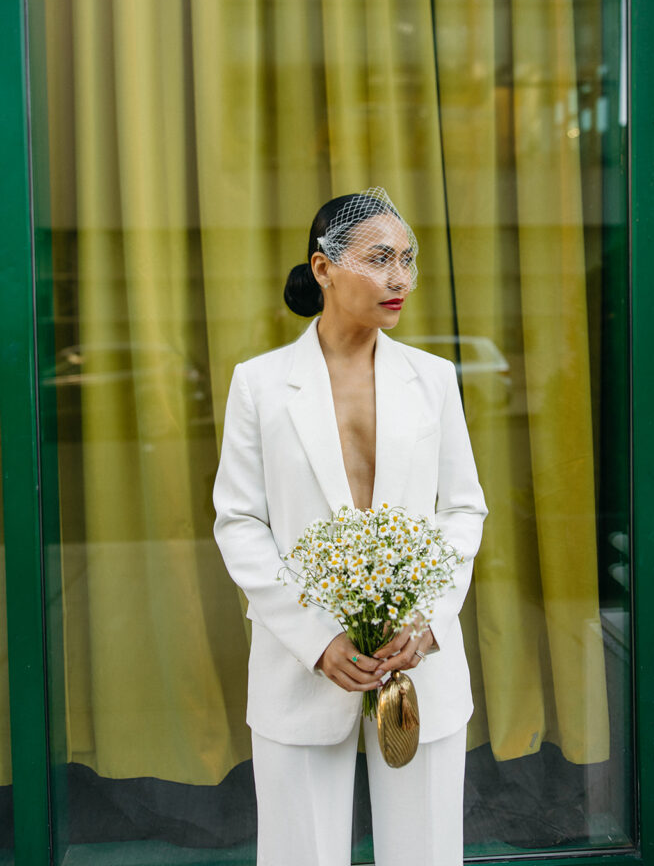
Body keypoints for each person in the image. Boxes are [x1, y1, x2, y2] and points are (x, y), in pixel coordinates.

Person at [213, 188, 487, 866]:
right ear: (323, 268)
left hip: (417, 659)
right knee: (298, 853)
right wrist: (316, 638)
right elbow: (239, 520)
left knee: (425, 852)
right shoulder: (260, 383)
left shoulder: (433, 378)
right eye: (379, 259)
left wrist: (427, 621)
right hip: (299, 664)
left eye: (408, 260)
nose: (400, 279)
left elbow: (462, 507)